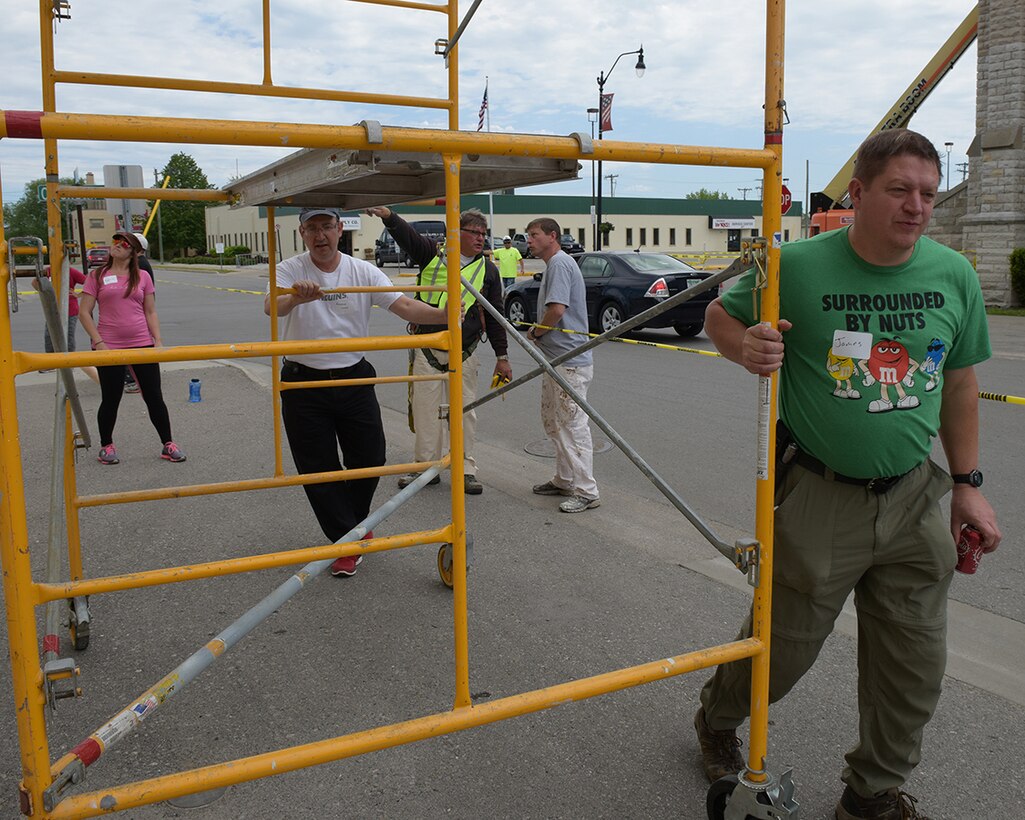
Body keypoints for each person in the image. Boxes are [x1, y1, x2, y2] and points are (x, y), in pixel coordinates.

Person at [695, 129, 1002, 820]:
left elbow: (957, 382)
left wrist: (967, 484)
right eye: (899, 190)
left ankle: (869, 794)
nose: (916, 206)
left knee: (912, 667)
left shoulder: (950, 274)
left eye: (926, 192)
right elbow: (720, 314)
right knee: (782, 651)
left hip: (914, 496)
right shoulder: (794, 265)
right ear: (858, 194)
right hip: (819, 496)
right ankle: (716, 718)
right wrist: (741, 345)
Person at [264, 207, 450, 577]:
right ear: (302, 232)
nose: (321, 235)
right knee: (318, 468)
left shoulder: (361, 269)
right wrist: (298, 297)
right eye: (312, 228)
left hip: (354, 376)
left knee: (370, 457)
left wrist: (448, 315)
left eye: (327, 227)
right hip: (304, 382)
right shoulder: (289, 269)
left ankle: (351, 525)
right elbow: (273, 307)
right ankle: (344, 541)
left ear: (339, 230)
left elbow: (403, 305)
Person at [364, 206, 512, 495]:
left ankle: (465, 468)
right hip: (427, 347)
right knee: (425, 410)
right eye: (475, 232)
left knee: (465, 411)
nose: (481, 238)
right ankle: (425, 467)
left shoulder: (489, 270)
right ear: (457, 234)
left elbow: (495, 317)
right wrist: (388, 216)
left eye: (484, 233)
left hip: (464, 350)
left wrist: (502, 357)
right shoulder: (433, 255)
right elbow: (408, 237)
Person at [78, 231, 186, 466]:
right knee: (111, 398)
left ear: (134, 252)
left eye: (123, 243)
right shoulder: (97, 276)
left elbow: (150, 311)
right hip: (109, 347)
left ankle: (168, 444)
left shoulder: (143, 276)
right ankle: (106, 445)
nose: (116, 245)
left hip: (142, 344)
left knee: (154, 397)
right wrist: (99, 342)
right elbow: (84, 312)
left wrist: (157, 341)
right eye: (115, 241)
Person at [524, 217, 599, 514]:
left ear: (552, 236)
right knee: (554, 422)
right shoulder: (556, 264)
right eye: (528, 235)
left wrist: (536, 332)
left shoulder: (559, 264)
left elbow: (556, 309)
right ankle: (564, 479)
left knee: (572, 425)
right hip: (557, 360)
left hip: (569, 361)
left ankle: (586, 490)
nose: (528, 240)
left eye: (534, 235)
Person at [33, 263, 99, 383]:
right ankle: (51, 362)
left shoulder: (71, 271)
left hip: (70, 309)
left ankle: (70, 361)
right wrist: (44, 292)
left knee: (68, 336)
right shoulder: (47, 271)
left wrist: (78, 295)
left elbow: (90, 282)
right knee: (49, 336)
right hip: (53, 310)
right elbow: (34, 282)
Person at [123, 232, 155, 394]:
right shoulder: (141, 263)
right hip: (138, 310)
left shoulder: (140, 265)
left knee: (136, 347)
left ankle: (134, 379)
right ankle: (133, 377)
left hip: (138, 312)